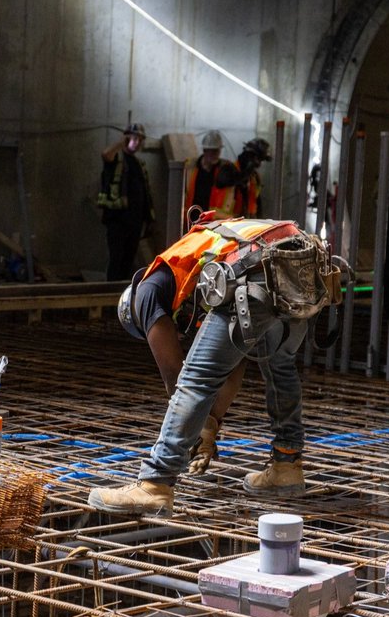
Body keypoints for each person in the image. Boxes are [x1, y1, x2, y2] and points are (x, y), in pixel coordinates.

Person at [94, 218, 340, 515]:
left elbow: (180, 377)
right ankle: (286, 464)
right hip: (298, 264)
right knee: (281, 365)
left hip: (259, 268)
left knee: (194, 380)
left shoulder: (145, 294)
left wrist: (200, 430)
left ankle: (155, 483)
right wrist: (210, 424)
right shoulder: (189, 281)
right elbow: (231, 362)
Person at [99, 123, 155, 280]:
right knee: (116, 260)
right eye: (134, 138)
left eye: (140, 140)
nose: (137, 142)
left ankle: (121, 298)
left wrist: (148, 219)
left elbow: (144, 193)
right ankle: (110, 299)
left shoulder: (138, 163)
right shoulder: (117, 158)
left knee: (128, 261)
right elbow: (105, 154)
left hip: (135, 222)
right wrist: (120, 142)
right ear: (127, 138)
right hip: (118, 222)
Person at [183, 130, 242, 223]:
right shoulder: (191, 167)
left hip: (213, 221)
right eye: (212, 151)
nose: (215, 154)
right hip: (192, 217)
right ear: (205, 151)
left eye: (217, 151)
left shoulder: (225, 169)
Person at [235, 138, 272, 218]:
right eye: (259, 159)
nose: (259, 164)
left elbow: (257, 202)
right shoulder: (230, 171)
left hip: (248, 223)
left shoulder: (254, 176)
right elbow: (239, 180)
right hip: (230, 223)